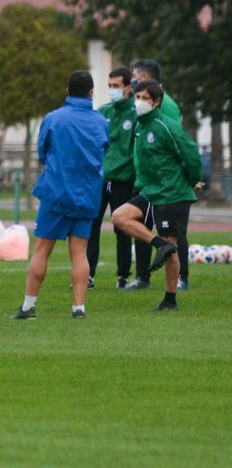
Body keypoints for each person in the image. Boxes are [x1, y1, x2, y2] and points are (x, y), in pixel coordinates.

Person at [12, 71, 109, 321]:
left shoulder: (53, 118)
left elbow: (42, 153)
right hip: (87, 195)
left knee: (42, 249)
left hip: (55, 193)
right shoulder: (101, 122)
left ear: (67, 90)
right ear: (91, 92)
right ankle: (78, 308)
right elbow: (103, 150)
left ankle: (28, 306)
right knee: (79, 252)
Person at [111, 81, 201, 312]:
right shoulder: (142, 126)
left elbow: (190, 155)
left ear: (157, 101)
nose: (138, 101)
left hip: (172, 193)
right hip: (150, 190)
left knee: (172, 246)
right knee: (120, 217)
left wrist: (190, 181)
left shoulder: (166, 126)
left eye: (144, 98)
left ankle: (170, 300)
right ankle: (159, 244)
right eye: (137, 96)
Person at [86, 67, 151, 289]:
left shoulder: (136, 114)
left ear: (127, 87)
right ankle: (88, 274)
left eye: (116, 86)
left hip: (124, 179)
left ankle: (123, 276)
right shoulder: (103, 112)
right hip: (100, 178)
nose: (112, 90)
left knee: (122, 227)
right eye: (110, 85)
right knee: (91, 225)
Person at [130, 59, 190, 290]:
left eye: (135, 75)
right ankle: (143, 276)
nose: (132, 79)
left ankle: (181, 278)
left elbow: (177, 144)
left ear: (145, 78)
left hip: (166, 182)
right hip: (144, 180)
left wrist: (186, 177)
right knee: (139, 226)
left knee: (174, 233)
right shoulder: (139, 107)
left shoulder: (168, 107)